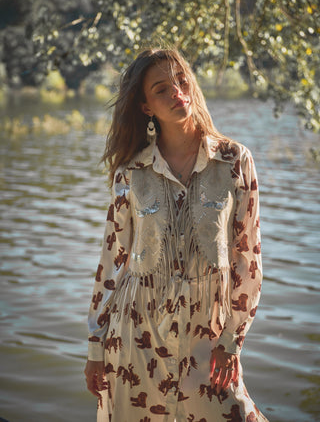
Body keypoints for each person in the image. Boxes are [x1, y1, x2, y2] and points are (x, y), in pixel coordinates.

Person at [84, 47, 268, 422]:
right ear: (146, 107)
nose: (178, 94)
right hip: (137, 337)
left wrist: (232, 341)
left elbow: (247, 258)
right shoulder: (131, 172)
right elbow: (111, 263)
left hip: (209, 339)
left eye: (182, 82)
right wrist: (95, 347)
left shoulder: (235, 161)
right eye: (162, 89)